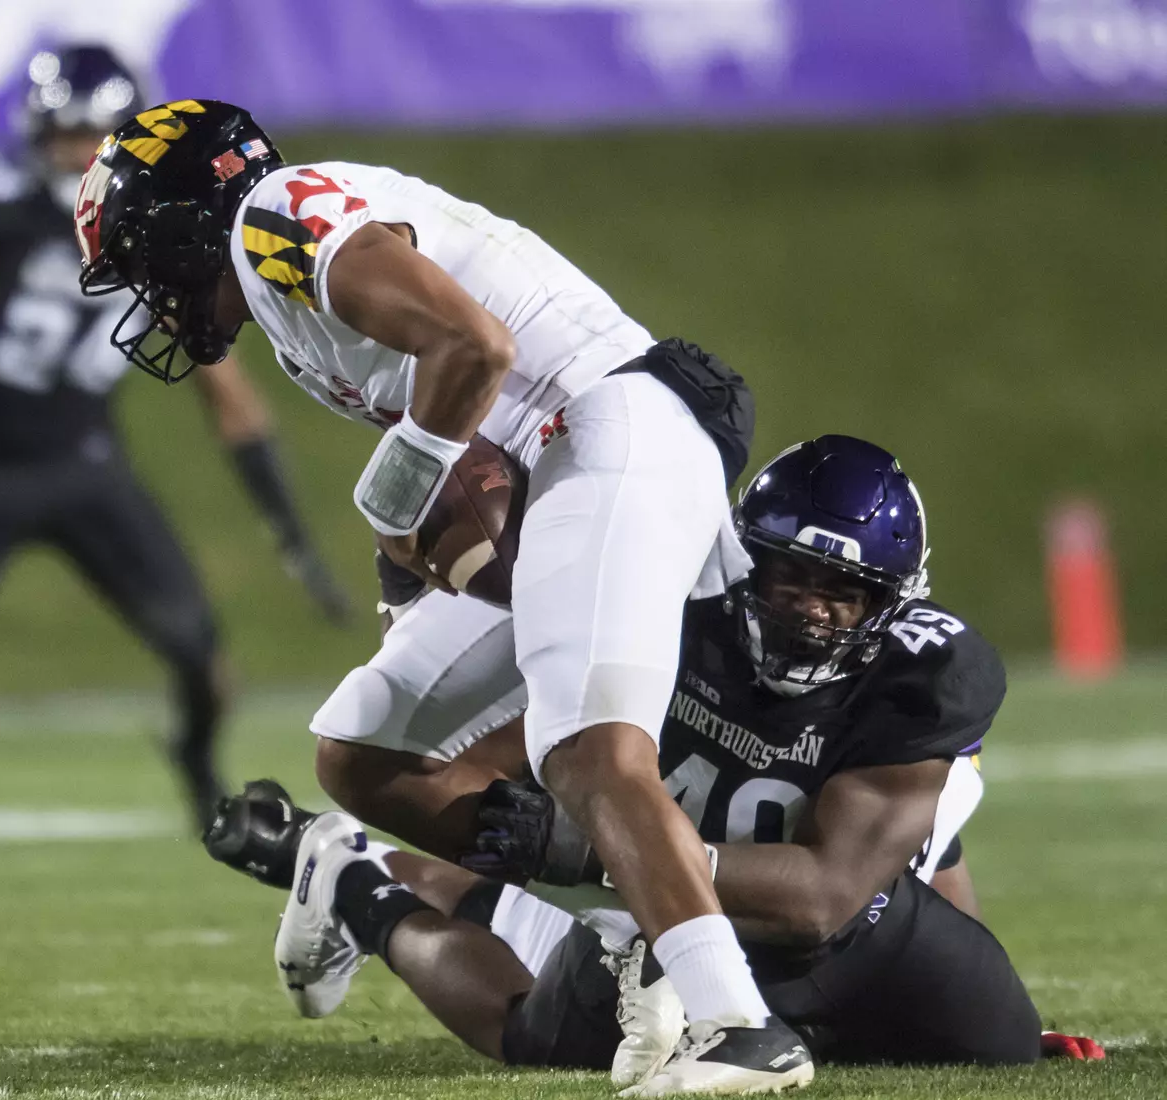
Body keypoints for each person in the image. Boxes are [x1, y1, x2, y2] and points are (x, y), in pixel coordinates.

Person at [79, 98, 814, 1094]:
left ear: (182, 216)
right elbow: (458, 446)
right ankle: (630, 929)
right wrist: (416, 566)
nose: (144, 290)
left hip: (606, 423)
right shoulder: (285, 293)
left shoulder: (272, 216)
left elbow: (471, 347)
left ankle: (739, 1022)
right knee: (365, 750)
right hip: (564, 458)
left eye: (137, 252)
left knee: (592, 749)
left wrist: (395, 487)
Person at [205, 436, 1052, 1082]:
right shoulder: (672, 601)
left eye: (842, 591)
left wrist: (606, 853)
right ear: (742, 561)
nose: (811, 611)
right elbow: (517, 751)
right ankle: (363, 891)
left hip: (855, 934)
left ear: (893, 601)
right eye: (788, 577)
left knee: (1011, 1053)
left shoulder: (929, 674)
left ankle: (355, 864)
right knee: (526, 1030)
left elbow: (837, 891)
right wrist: (568, 839)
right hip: (655, 926)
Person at [0, 52, 348, 830]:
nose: (77, 155)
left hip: (85, 464)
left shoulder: (161, 218)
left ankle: (198, 765)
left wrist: (287, 528)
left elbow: (226, 391)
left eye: (92, 135)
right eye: (64, 136)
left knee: (199, 649)